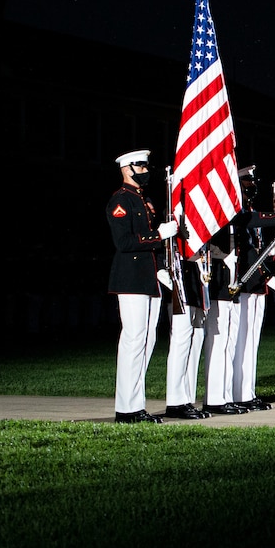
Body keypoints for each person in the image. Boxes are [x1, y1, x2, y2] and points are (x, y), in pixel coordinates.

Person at [202, 166, 275, 415]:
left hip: (251, 282)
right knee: (233, 342)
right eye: (246, 182)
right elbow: (245, 229)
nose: (251, 187)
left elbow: (252, 245)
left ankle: (243, 393)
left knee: (247, 343)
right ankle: (227, 395)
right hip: (238, 281)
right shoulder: (234, 212)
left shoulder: (246, 210)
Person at [106, 149, 178, 424]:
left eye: (146, 166)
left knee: (147, 342)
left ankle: (136, 405)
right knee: (134, 341)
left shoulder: (144, 200)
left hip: (149, 278)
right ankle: (126, 408)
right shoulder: (121, 201)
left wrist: (160, 266)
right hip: (131, 279)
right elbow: (124, 242)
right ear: (126, 168)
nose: (145, 170)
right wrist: (158, 235)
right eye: (140, 166)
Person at [162, 251, 212, 420]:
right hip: (180, 273)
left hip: (191, 275)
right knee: (181, 341)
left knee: (194, 339)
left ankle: (185, 399)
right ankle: (176, 401)